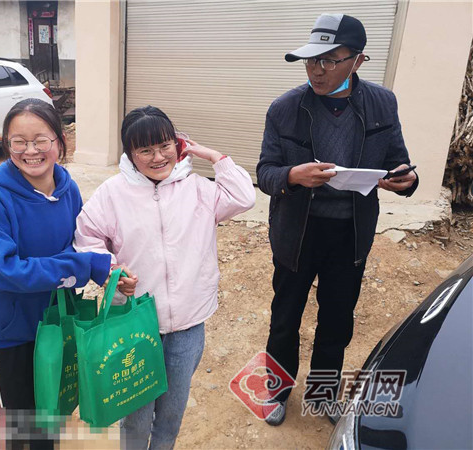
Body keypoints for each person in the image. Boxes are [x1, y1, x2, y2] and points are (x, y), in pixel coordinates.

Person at [256, 13, 418, 426]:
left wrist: (407, 179)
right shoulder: (285, 109)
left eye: (329, 60)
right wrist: (293, 176)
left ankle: (324, 395)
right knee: (285, 317)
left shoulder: (382, 103)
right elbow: (266, 173)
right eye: (312, 59)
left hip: (350, 232)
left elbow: (398, 161)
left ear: (358, 61)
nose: (316, 69)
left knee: (337, 319)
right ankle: (277, 391)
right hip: (297, 232)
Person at [74, 105, 255, 449]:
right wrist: (112, 271)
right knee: (136, 412)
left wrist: (214, 157)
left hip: (188, 323)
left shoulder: (199, 189)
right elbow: (87, 237)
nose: (158, 157)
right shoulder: (113, 194)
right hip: (134, 324)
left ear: (178, 144)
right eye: (145, 150)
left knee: (172, 410)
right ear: (130, 154)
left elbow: (244, 196)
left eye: (165, 145)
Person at [0, 98, 134, 449]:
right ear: (7, 145)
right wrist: (82, 267)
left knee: (51, 419)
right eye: (19, 142)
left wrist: (108, 268)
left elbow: (83, 244)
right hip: (8, 333)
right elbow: (0, 272)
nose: (31, 151)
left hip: (55, 326)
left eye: (40, 140)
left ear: (60, 140)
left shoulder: (68, 189)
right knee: (19, 430)